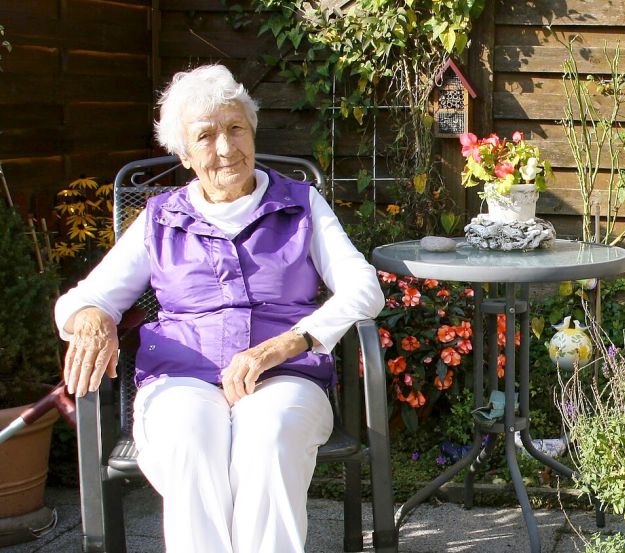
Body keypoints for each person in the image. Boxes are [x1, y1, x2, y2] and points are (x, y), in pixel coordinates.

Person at [54, 64, 385, 552]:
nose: (227, 149)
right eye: (206, 137)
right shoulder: (159, 218)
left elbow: (364, 287)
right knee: (191, 434)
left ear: (252, 131)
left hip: (285, 378)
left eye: (236, 128)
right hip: (179, 381)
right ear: (184, 155)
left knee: (268, 432)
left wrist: (291, 342)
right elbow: (85, 298)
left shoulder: (301, 204)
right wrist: (90, 319)